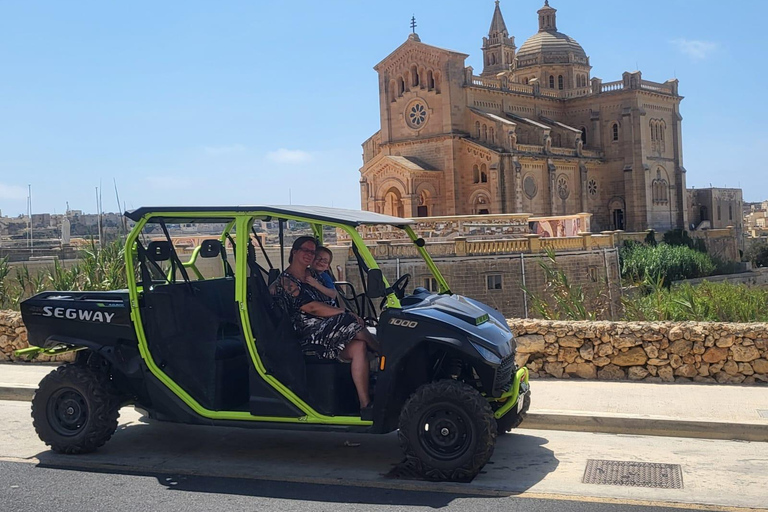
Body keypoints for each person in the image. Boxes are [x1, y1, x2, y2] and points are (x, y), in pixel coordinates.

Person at [272, 236, 378, 411]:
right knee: (350, 319)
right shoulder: (286, 281)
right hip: (307, 335)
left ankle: (365, 403)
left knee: (359, 347)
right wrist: (344, 312)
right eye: (305, 250)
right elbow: (312, 308)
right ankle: (384, 353)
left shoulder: (312, 275)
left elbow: (330, 294)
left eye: (312, 252)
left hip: (326, 330)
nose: (309, 255)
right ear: (294, 252)